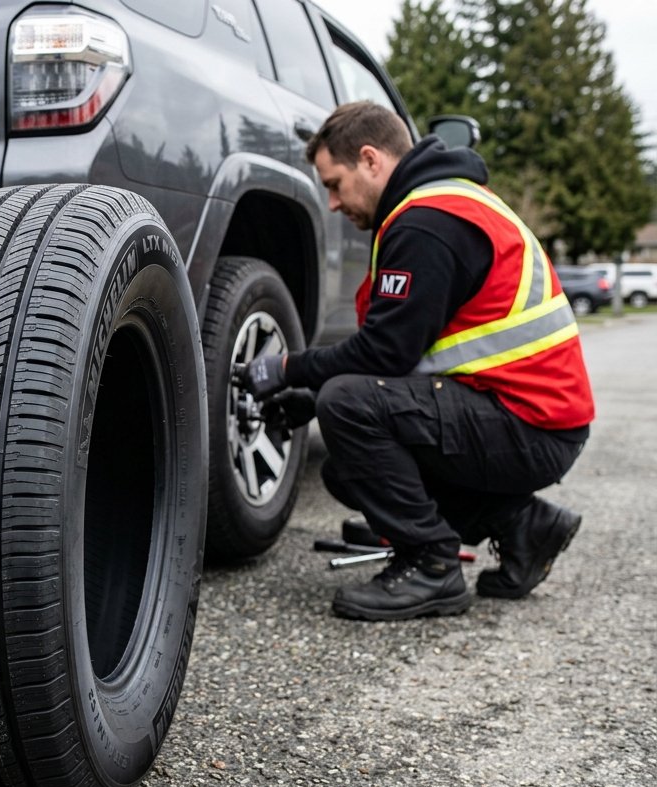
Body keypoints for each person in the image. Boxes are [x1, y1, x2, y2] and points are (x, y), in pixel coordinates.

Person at [237, 101, 593, 622]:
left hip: (529, 425)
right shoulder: (441, 205)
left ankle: (431, 566)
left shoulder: (426, 222)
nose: (333, 203)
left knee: (348, 405)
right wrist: (308, 401)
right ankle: (524, 526)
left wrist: (288, 369)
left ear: (371, 160)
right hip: (530, 418)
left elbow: (385, 354)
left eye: (335, 184)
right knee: (347, 470)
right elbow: (407, 360)